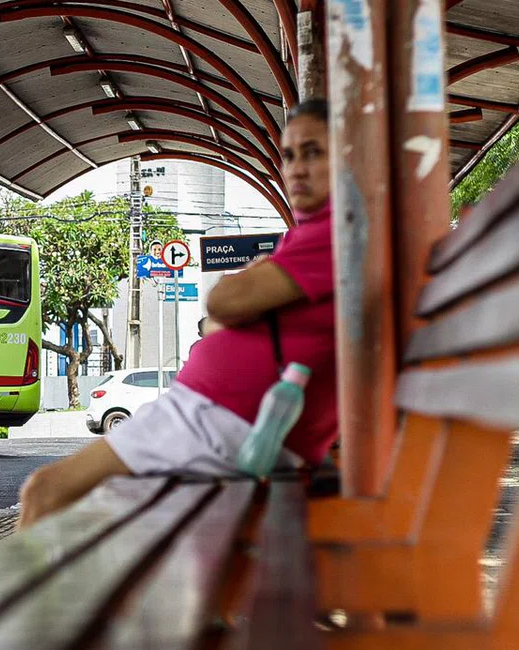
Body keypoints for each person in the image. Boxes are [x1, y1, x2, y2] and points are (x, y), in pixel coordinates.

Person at [18, 99, 337, 529]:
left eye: (314, 152)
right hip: (223, 417)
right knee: (87, 516)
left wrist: (246, 288)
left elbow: (223, 304)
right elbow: (225, 315)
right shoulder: (324, 236)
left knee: (47, 493)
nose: (297, 169)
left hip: (223, 418)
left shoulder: (337, 233)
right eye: (291, 155)